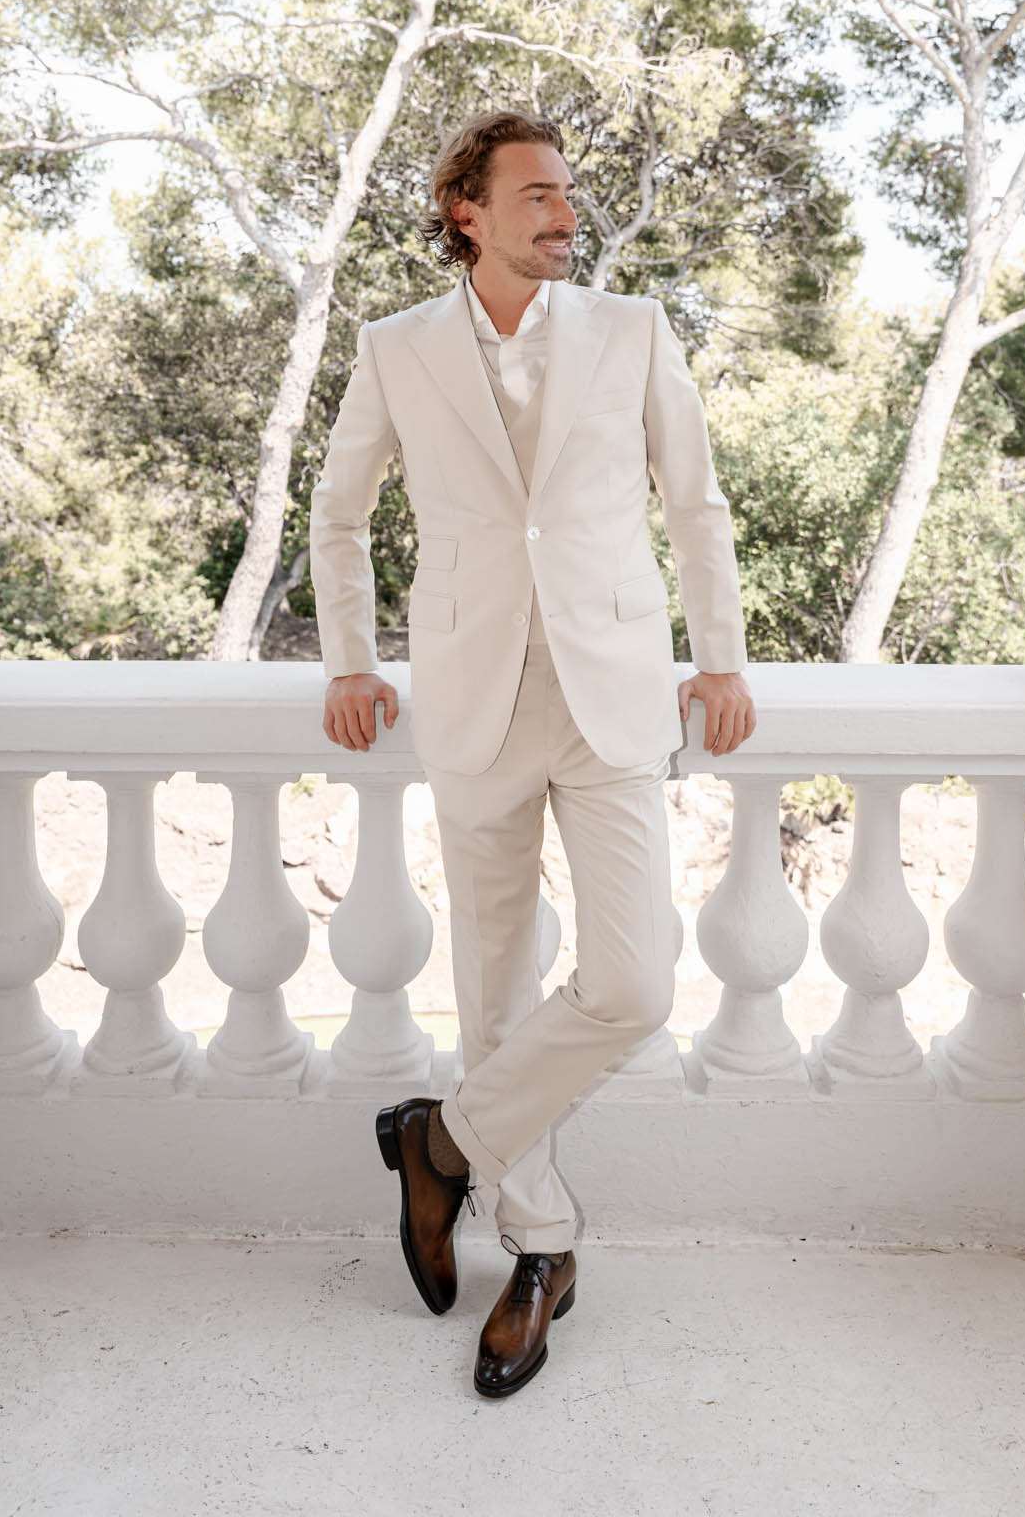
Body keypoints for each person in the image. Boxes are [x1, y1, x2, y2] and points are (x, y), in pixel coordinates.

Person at [309, 107, 756, 1398]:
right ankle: (540, 1253)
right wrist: (349, 659)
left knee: (631, 983)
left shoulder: (631, 332)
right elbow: (338, 514)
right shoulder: (395, 347)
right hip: (469, 693)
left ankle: (437, 1145)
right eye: (540, 197)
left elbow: (695, 501)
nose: (566, 215)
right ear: (468, 210)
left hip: (611, 693)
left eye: (570, 197)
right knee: (494, 989)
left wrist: (717, 655)